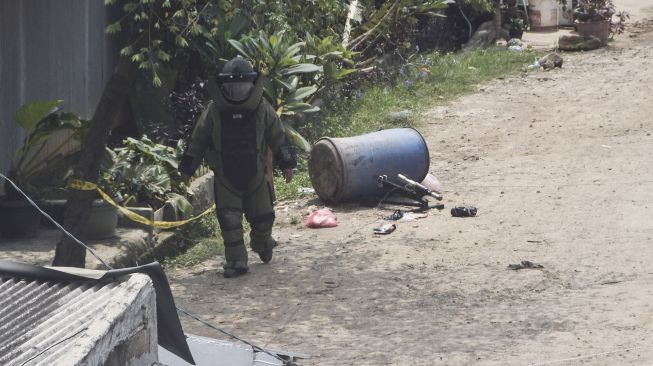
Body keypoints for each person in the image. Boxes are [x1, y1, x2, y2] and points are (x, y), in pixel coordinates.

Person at [178, 57, 296, 278]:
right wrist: (187, 167)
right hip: (225, 176)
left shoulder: (262, 108)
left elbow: (278, 136)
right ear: (223, 86)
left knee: (263, 216)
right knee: (229, 220)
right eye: (232, 87)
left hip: (256, 174)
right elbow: (198, 139)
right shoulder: (214, 111)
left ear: (252, 85)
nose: (237, 91)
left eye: (242, 86)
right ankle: (236, 260)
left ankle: (262, 243)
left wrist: (287, 163)